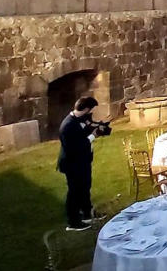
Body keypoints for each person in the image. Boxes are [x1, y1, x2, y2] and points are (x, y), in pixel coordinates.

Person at [58, 97, 105, 231]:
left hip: (83, 161)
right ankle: (73, 222)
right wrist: (93, 136)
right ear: (85, 109)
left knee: (85, 187)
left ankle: (87, 213)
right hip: (72, 164)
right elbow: (74, 147)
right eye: (90, 110)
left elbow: (84, 132)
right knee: (74, 192)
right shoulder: (67, 126)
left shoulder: (80, 120)